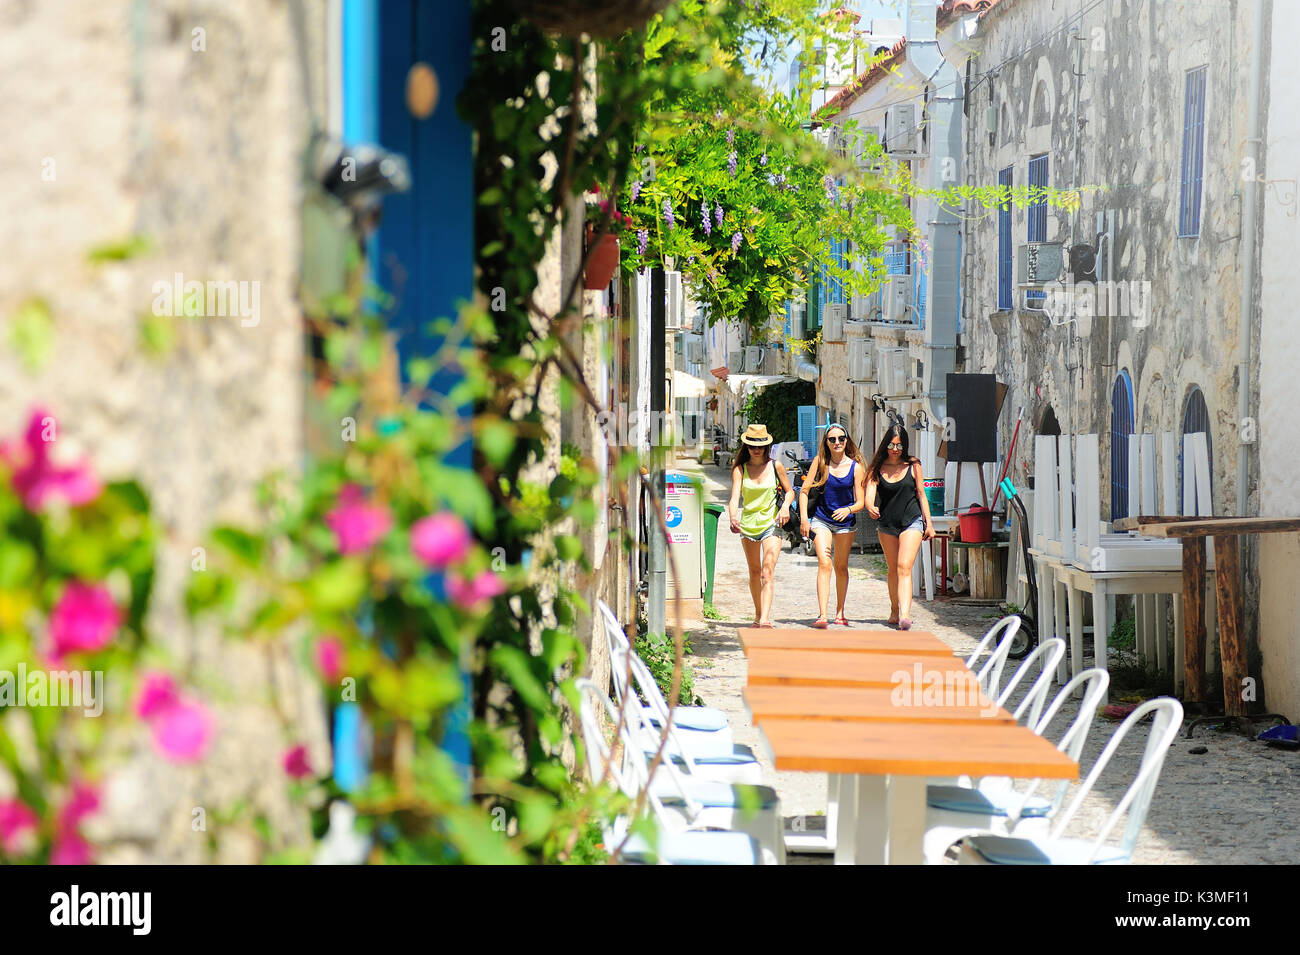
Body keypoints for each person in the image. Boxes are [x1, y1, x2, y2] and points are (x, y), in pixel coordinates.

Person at [864, 424, 935, 630]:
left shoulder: (913, 466)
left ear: (905, 446)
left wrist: (928, 523)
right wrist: (870, 506)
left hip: (911, 520)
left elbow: (922, 494)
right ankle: (894, 610)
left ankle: (905, 614)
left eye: (899, 445)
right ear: (886, 444)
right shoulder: (877, 469)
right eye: (892, 444)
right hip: (887, 523)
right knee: (893, 569)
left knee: (904, 566)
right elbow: (870, 494)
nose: (895, 449)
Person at [799, 423, 867, 628]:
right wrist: (804, 519)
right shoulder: (820, 462)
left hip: (845, 523)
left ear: (846, 441)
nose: (837, 442)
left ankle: (840, 612)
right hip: (821, 520)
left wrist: (848, 509)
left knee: (841, 566)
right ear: (826, 443)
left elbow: (861, 502)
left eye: (841, 439)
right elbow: (804, 491)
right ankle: (822, 614)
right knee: (824, 563)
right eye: (832, 439)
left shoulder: (856, 467)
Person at [727, 424, 795, 628]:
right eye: (751, 445)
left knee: (767, 571)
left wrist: (784, 508)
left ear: (767, 447)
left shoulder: (776, 466)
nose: (756, 449)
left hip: (771, 524)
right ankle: (758, 614)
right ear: (746, 447)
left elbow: (790, 491)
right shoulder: (740, 469)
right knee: (755, 572)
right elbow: (733, 498)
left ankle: (765, 618)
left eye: (761, 445)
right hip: (748, 525)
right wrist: (732, 517)